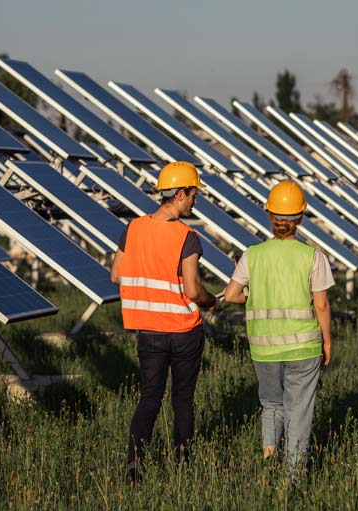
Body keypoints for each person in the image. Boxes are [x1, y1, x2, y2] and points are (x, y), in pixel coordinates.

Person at [110, 161, 220, 483]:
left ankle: (134, 463)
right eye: (193, 195)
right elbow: (191, 288)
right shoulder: (187, 237)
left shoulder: (133, 229)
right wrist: (212, 301)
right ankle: (182, 464)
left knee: (149, 398)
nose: (195, 202)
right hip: (184, 332)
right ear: (181, 194)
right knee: (182, 401)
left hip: (149, 332)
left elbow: (116, 273)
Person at [223, 180, 334, 476]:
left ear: (270, 215)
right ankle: (292, 477)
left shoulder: (252, 254)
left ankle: (269, 462)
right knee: (299, 411)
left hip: (264, 348)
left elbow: (232, 294)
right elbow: (321, 305)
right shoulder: (313, 257)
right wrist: (327, 342)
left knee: (271, 404)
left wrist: (253, 296)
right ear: (300, 216)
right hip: (303, 348)